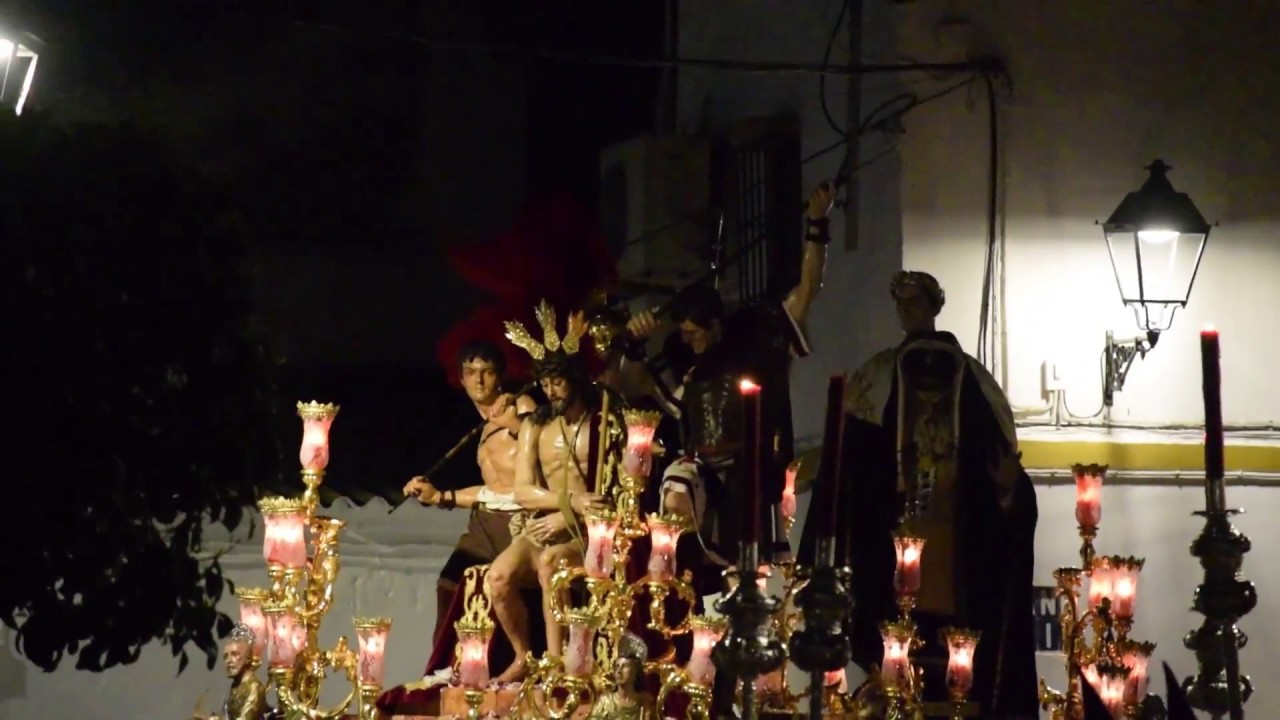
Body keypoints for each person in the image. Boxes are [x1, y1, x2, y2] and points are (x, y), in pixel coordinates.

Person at [798, 270, 1039, 718]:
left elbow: (1008, 486)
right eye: (900, 304)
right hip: (890, 549)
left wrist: (1007, 491)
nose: (905, 312)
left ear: (933, 307)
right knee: (891, 654)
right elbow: (846, 472)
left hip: (954, 553)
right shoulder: (876, 380)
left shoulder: (977, 389)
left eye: (914, 303)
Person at [623, 181, 835, 573]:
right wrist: (634, 343)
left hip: (749, 468)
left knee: (746, 567)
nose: (690, 339)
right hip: (699, 467)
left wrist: (817, 225)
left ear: (716, 325)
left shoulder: (755, 343)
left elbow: (808, 289)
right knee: (675, 503)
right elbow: (633, 385)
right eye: (684, 332)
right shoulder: (683, 361)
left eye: (696, 332)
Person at [485, 299, 624, 683]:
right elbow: (523, 491)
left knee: (551, 565)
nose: (551, 392)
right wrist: (566, 501)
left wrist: (572, 511)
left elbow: (610, 492)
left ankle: (559, 663)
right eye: (545, 384)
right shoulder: (535, 427)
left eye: (558, 382)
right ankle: (522, 657)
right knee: (497, 577)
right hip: (542, 525)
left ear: (575, 378)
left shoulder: (603, 421)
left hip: (585, 531)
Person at [402, 341, 538, 643]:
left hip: (520, 519)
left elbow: (543, 449)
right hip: (486, 520)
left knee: (508, 590)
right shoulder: (482, 430)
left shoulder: (522, 404)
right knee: (450, 584)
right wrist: (439, 497)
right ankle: (446, 666)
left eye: (487, 372)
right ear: (461, 379)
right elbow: (493, 490)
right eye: (470, 372)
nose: (478, 380)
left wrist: (514, 423)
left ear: (499, 376)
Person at [192, 624, 268, 720]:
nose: (229, 661)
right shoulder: (234, 687)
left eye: (234, 654)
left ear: (248, 657)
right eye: (225, 657)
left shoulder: (255, 687)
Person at [586, 632, 654, 720]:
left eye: (625, 666)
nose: (619, 671)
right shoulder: (606, 702)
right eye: (617, 666)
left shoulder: (643, 704)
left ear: (635, 671)